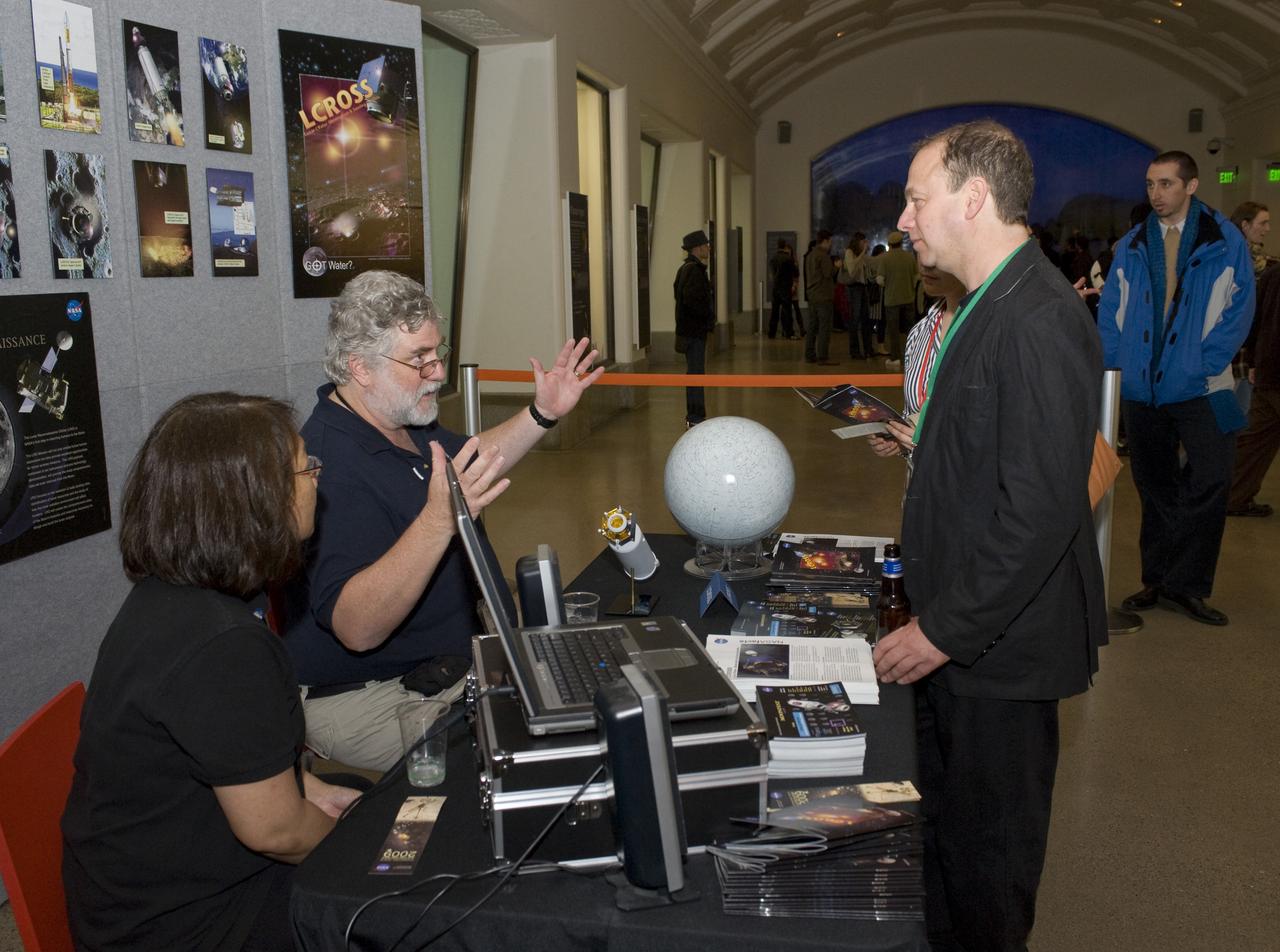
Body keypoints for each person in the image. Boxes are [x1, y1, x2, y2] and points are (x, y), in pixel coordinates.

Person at [872, 120, 1106, 952]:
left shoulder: (1035, 318)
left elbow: (1037, 515)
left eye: (914, 198)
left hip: (995, 656)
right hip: (965, 640)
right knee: (949, 843)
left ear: (973, 199)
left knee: (989, 867)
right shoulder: (985, 306)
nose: (904, 219)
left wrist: (940, 631)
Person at [62, 393, 361, 952]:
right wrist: (361, 845)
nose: (317, 478)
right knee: (395, 896)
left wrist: (303, 788)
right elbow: (274, 831)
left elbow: (217, 758)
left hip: (141, 882)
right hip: (182, 927)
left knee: (351, 791)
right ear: (253, 500)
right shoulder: (223, 646)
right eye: (304, 465)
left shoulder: (166, 599)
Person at [285, 271, 602, 771]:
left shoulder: (398, 421)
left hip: (444, 670)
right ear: (360, 368)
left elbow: (467, 464)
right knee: (535, 759)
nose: (437, 372)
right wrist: (437, 523)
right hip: (372, 697)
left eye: (438, 353)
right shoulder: (331, 465)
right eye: (418, 359)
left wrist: (542, 413)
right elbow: (357, 628)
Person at [1098, 151, 1255, 626]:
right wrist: (1116, 366)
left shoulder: (1224, 240)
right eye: (1150, 185)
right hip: (1144, 389)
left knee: (1211, 478)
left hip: (1202, 386)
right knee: (1154, 485)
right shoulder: (1131, 244)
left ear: (1191, 185)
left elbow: (1239, 307)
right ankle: (1158, 580)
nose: (1156, 194)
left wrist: (1204, 362)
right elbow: (1111, 313)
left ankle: (1189, 584)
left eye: (1166, 184)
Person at [867, 261, 966, 464]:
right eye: (918, 253)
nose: (924, 265)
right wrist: (899, 437)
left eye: (933, 253)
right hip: (918, 487)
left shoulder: (992, 331)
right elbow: (913, 411)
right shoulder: (920, 331)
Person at [1227, 264, 1280, 516]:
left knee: (1255, 439)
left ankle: (1233, 496)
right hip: (1271, 371)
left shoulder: (1272, 273)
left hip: (1267, 369)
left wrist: (1252, 360)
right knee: (1255, 439)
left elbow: (1254, 318)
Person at [675, 229, 715, 426]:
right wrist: (707, 318)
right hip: (694, 333)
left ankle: (695, 415)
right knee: (696, 374)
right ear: (697, 248)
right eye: (706, 245)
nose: (708, 247)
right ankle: (695, 416)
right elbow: (692, 301)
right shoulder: (694, 271)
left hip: (690, 332)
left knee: (695, 373)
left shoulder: (685, 269)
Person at [876, 229, 920, 367]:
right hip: (908, 297)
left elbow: (880, 280)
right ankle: (913, 356)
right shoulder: (909, 257)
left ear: (889, 243)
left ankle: (896, 358)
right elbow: (917, 276)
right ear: (901, 243)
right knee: (911, 329)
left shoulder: (885, 258)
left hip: (891, 300)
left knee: (893, 330)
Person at [804, 229, 837, 364]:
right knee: (824, 327)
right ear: (825, 241)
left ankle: (809, 354)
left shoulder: (810, 254)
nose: (831, 245)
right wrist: (837, 267)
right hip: (823, 295)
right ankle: (822, 357)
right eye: (830, 242)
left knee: (812, 326)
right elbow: (828, 273)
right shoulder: (823, 255)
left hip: (812, 294)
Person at [842, 232, 875, 358]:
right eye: (863, 242)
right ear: (858, 242)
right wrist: (862, 253)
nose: (865, 244)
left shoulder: (862, 255)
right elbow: (852, 270)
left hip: (862, 287)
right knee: (854, 320)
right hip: (853, 287)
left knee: (866, 319)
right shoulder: (849, 252)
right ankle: (854, 351)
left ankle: (868, 349)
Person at [768, 241, 799, 338]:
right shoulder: (788, 258)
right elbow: (796, 273)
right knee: (787, 311)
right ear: (785, 247)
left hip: (775, 288)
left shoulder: (773, 258)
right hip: (786, 288)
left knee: (774, 311)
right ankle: (789, 333)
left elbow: (772, 274)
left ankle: (771, 333)